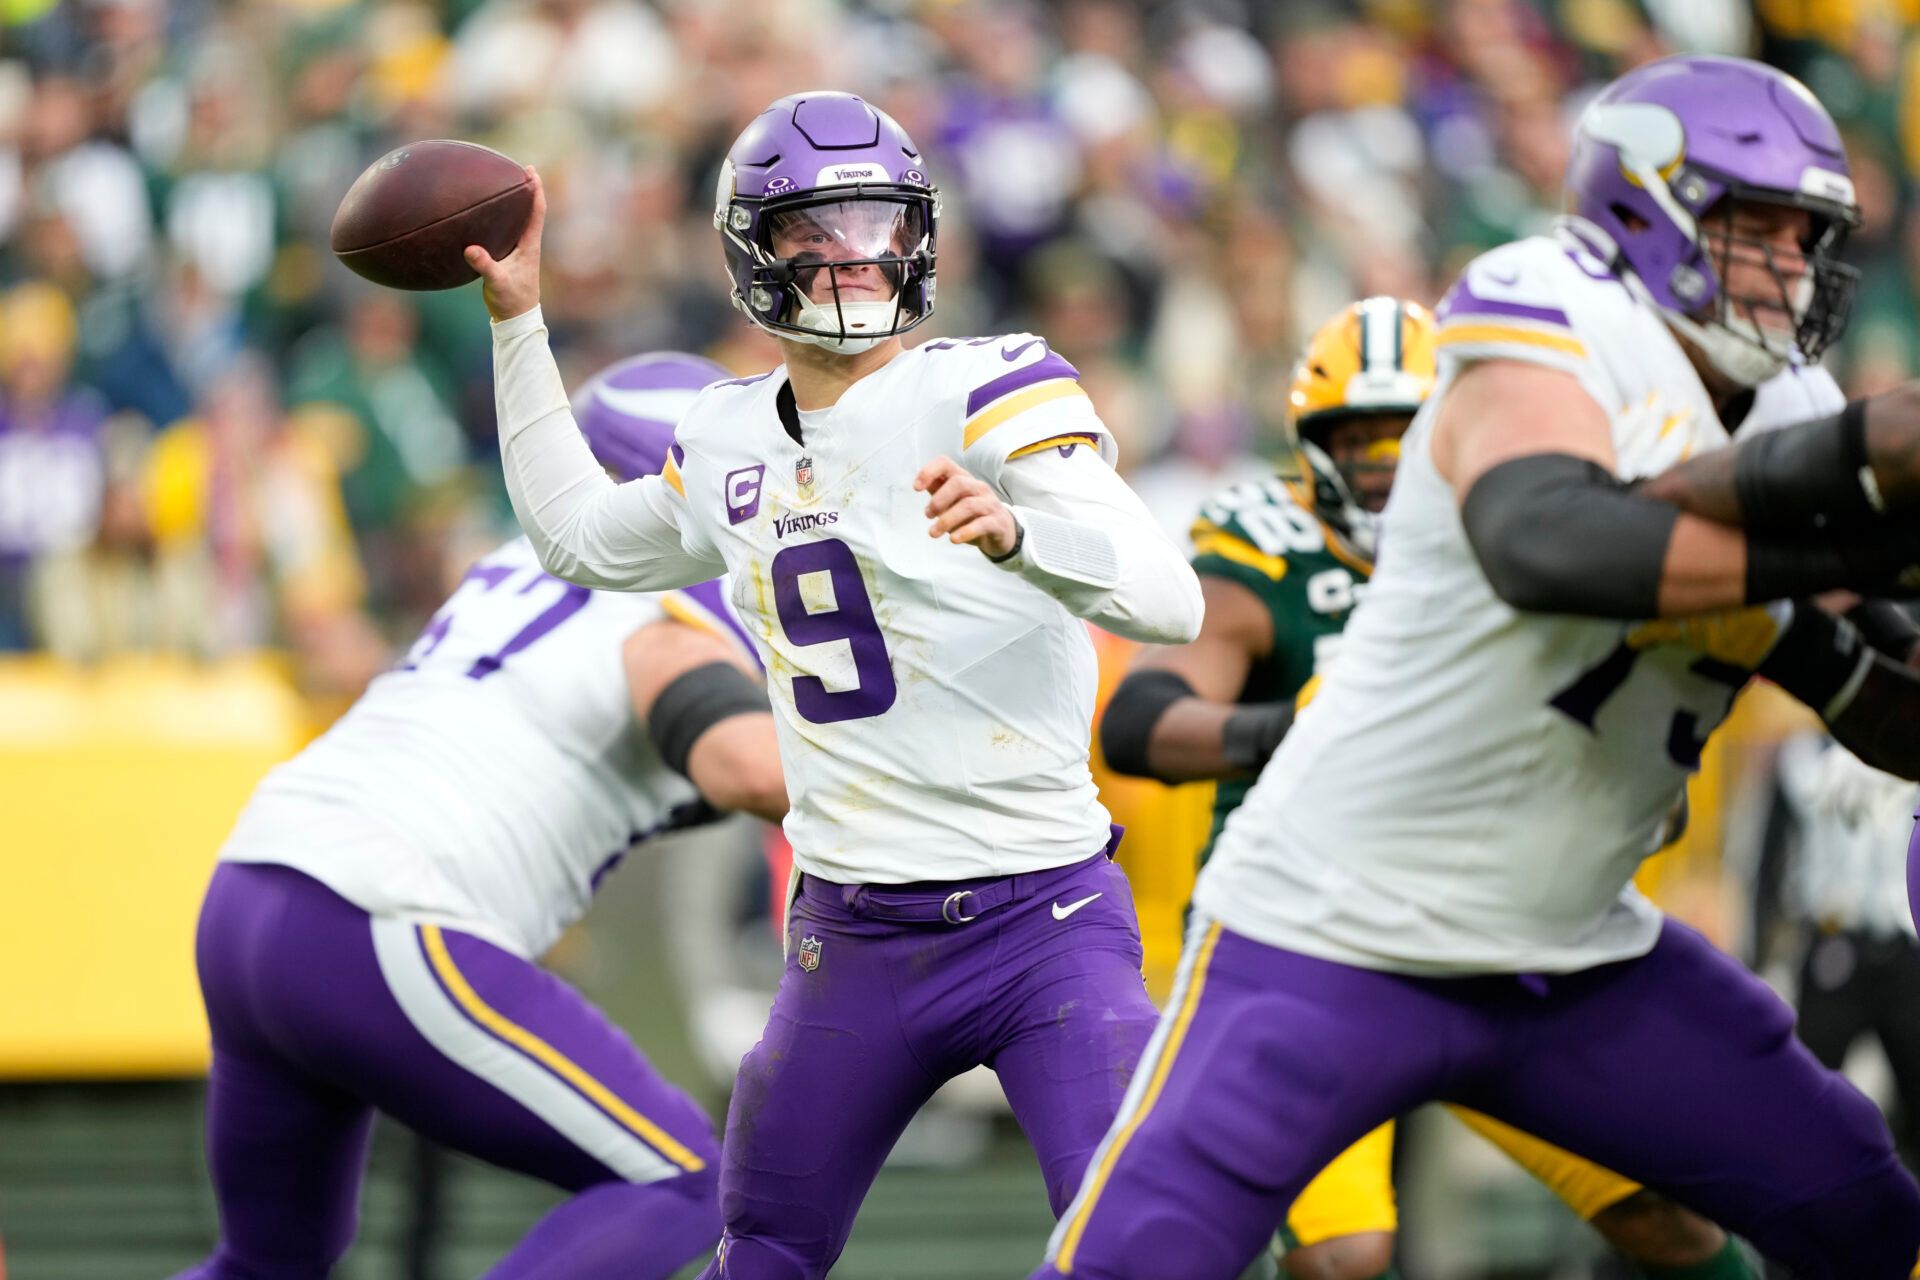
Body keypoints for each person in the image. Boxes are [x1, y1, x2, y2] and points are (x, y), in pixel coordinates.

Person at [1031, 54, 1920, 1280]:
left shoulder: (1790, 406)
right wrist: (1856, 500)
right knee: (1147, 1263)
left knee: (1866, 1217)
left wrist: (1856, 583)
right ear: (1638, 211)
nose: (1783, 260)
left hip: (1576, 945)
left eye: (1802, 232)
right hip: (1335, 929)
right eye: (1747, 223)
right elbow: (1546, 539)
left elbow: (1878, 682)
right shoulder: (1548, 300)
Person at [465, 91, 1203, 1280]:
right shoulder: (723, 438)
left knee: (1146, 1242)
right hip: (853, 933)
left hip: (1044, 917)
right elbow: (579, 539)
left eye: (877, 224)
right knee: (759, 1254)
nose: (855, 257)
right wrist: (518, 323)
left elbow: (1170, 600)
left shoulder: (987, 384)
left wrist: (1024, 535)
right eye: (818, 228)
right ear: (756, 250)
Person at [1100, 297, 1749, 1280]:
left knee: (1665, 1208)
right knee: (1348, 1251)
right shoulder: (1268, 538)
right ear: (1311, 448)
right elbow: (1144, 721)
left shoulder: (1533, 536)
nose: (1383, 463)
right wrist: (1305, 731)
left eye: (1403, 432)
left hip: (1493, 926)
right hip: (1312, 931)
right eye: (1357, 438)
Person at [174, 352, 785, 1280]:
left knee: (268, 1265)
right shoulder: (668, 601)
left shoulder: (512, 562)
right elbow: (742, 766)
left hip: (252, 890)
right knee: (682, 1183)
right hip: (383, 917)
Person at [1764, 731, 1920, 1164]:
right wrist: (1760, 951)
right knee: (1807, 1098)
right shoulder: (1800, 756)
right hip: (1834, 940)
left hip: (1906, 944)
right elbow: (1771, 857)